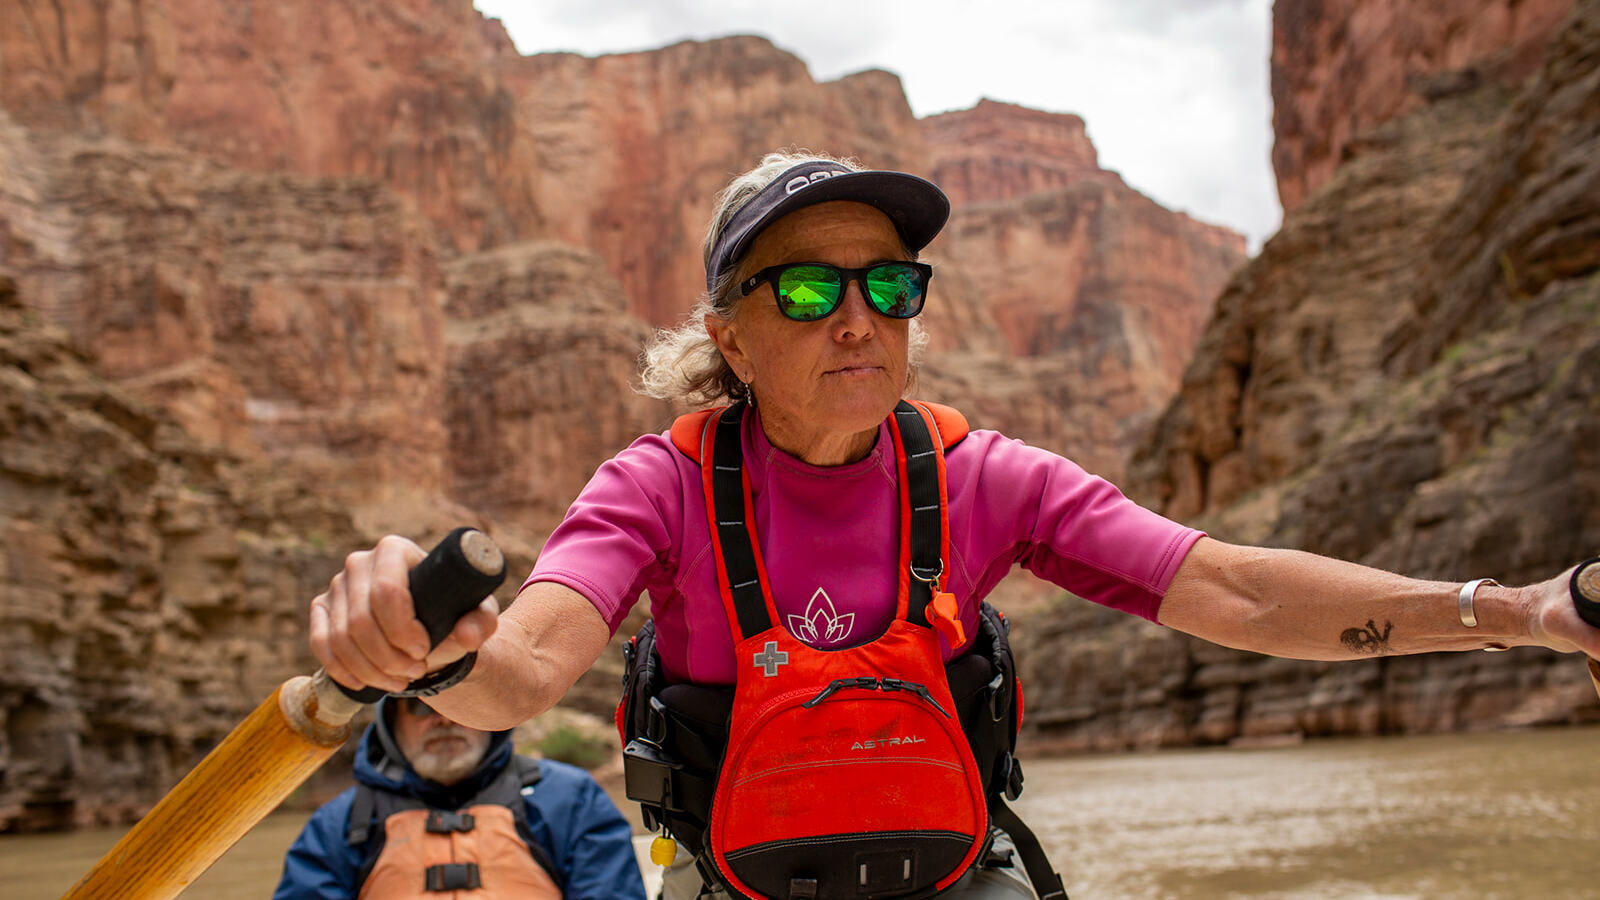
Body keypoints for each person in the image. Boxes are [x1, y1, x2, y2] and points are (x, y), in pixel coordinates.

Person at [306, 151, 1600, 900]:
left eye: (889, 283)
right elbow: (533, 658)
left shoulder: (986, 481)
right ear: (730, 336)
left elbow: (1239, 595)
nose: (858, 318)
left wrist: (1522, 612)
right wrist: (431, 654)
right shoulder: (657, 487)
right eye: (809, 287)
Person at [272, 696, 646, 899]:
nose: (444, 718)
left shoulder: (573, 800)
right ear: (392, 720)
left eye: (459, 702)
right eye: (422, 705)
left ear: (488, 712)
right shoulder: (337, 825)